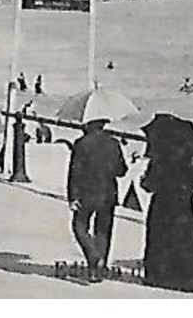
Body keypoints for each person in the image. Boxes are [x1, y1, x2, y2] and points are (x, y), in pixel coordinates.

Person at [139, 113, 193, 292]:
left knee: (160, 235)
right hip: (184, 198)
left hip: (164, 200)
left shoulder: (162, 156)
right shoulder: (191, 150)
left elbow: (150, 183)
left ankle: (160, 275)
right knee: (185, 235)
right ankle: (191, 273)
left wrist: (144, 179)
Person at [68, 118, 128, 280]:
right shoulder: (113, 143)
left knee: (79, 226)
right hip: (108, 192)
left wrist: (73, 197)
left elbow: (75, 172)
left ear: (87, 125)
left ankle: (92, 255)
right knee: (103, 229)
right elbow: (122, 170)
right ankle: (99, 267)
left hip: (86, 192)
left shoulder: (81, 143)